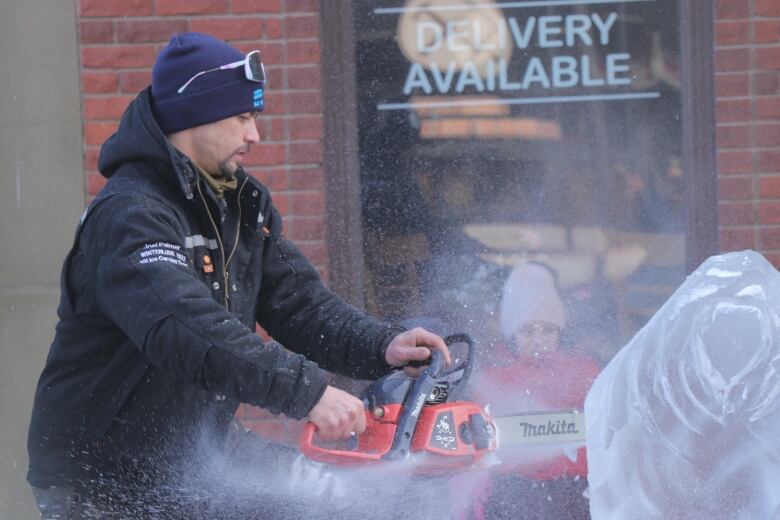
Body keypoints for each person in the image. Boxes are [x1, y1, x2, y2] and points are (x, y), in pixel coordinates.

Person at [26, 32, 450, 519]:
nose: (255, 136)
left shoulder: (241, 205)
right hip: (103, 473)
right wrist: (306, 392)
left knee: (339, 504)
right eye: (243, 118)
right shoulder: (130, 215)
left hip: (200, 446)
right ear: (195, 116)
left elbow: (298, 303)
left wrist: (381, 346)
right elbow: (184, 327)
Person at [465, 261, 601, 519]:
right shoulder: (495, 379)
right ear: (512, 335)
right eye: (528, 332)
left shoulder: (584, 371)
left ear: (560, 332)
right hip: (516, 489)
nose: (539, 340)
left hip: (574, 486)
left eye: (548, 330)